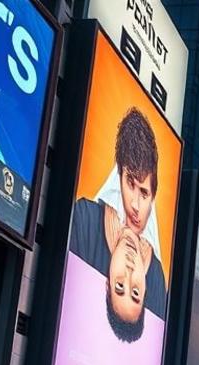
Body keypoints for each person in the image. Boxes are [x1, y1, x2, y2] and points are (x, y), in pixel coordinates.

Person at [68, 108, 166, 344]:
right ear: (119, 177)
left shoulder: (83, 221)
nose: (135, 205)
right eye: (130, 184)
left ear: (107, 284)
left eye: (120, 286)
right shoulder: (84, 218)